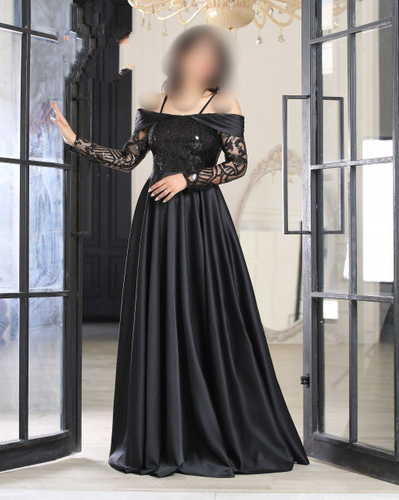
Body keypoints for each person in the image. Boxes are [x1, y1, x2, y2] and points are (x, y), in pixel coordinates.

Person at [51, 24, 309, 478]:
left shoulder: (224, 104)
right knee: (160, 315)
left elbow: (237, 165)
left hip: (203, 222)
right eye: (197, 53)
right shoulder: (154, 102)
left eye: (212, 55)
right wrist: (76, 141)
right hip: (156, 222)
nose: (205, 61)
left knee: (208, 313)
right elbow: (127, 160)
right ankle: (163, 430)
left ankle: (217, 424)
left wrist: (187, 179)